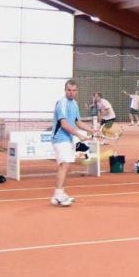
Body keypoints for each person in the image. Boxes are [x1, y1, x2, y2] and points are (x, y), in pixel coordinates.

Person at [51, 79, 96, 207]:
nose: (71, 92)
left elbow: (78, 122)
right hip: (60, 139)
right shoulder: (62, 103)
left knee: (66, 165)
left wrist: (92, 130)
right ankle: (58, 196)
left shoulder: (74, 104)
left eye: (74, 90)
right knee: (64, 165)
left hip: (68, 139)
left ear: (77, 91)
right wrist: (79, 135)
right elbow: (64, 124)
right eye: (69, 90)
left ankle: (60, 193)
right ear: (65, 90)